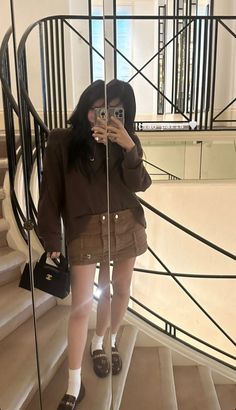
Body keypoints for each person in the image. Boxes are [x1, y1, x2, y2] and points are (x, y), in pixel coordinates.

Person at [37, 79, 151, 410]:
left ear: (123, 113)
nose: (102, 116)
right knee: (81, 307)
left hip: (126, 223)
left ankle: (104, 342)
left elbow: (140, 185)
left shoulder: (125, 140)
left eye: (114, 110)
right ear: (86, 105)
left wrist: (129, 147)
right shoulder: (61, 141)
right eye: (96, 108)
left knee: (120, 291)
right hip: (84, 230)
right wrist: (51, 236)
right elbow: (51, 193)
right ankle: (74, 385)